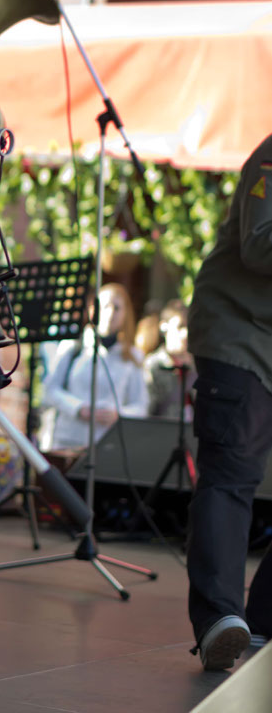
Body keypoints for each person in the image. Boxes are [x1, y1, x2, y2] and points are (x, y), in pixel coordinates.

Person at [187, 135, 272, 671]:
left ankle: (262, 620)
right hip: (240, 338)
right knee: (230, 477)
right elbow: (259, 244)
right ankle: (220, 618)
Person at [44, 282, 149, 450]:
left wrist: (118, 414)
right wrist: (78, 408)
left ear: (125, 314)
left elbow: (141, 406)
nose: (110, 313)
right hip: (68, 442)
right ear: (94, 309)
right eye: (105, 306)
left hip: (108, 445)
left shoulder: (133, 356)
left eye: (117, 308)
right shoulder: (73, 346)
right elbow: (50, 389)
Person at [143, 298, 196, 419]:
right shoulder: (153, 365)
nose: (185, 334)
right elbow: (148, 409)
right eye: (180, 326)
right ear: (164, 327)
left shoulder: (197, 367)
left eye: (189, 327)